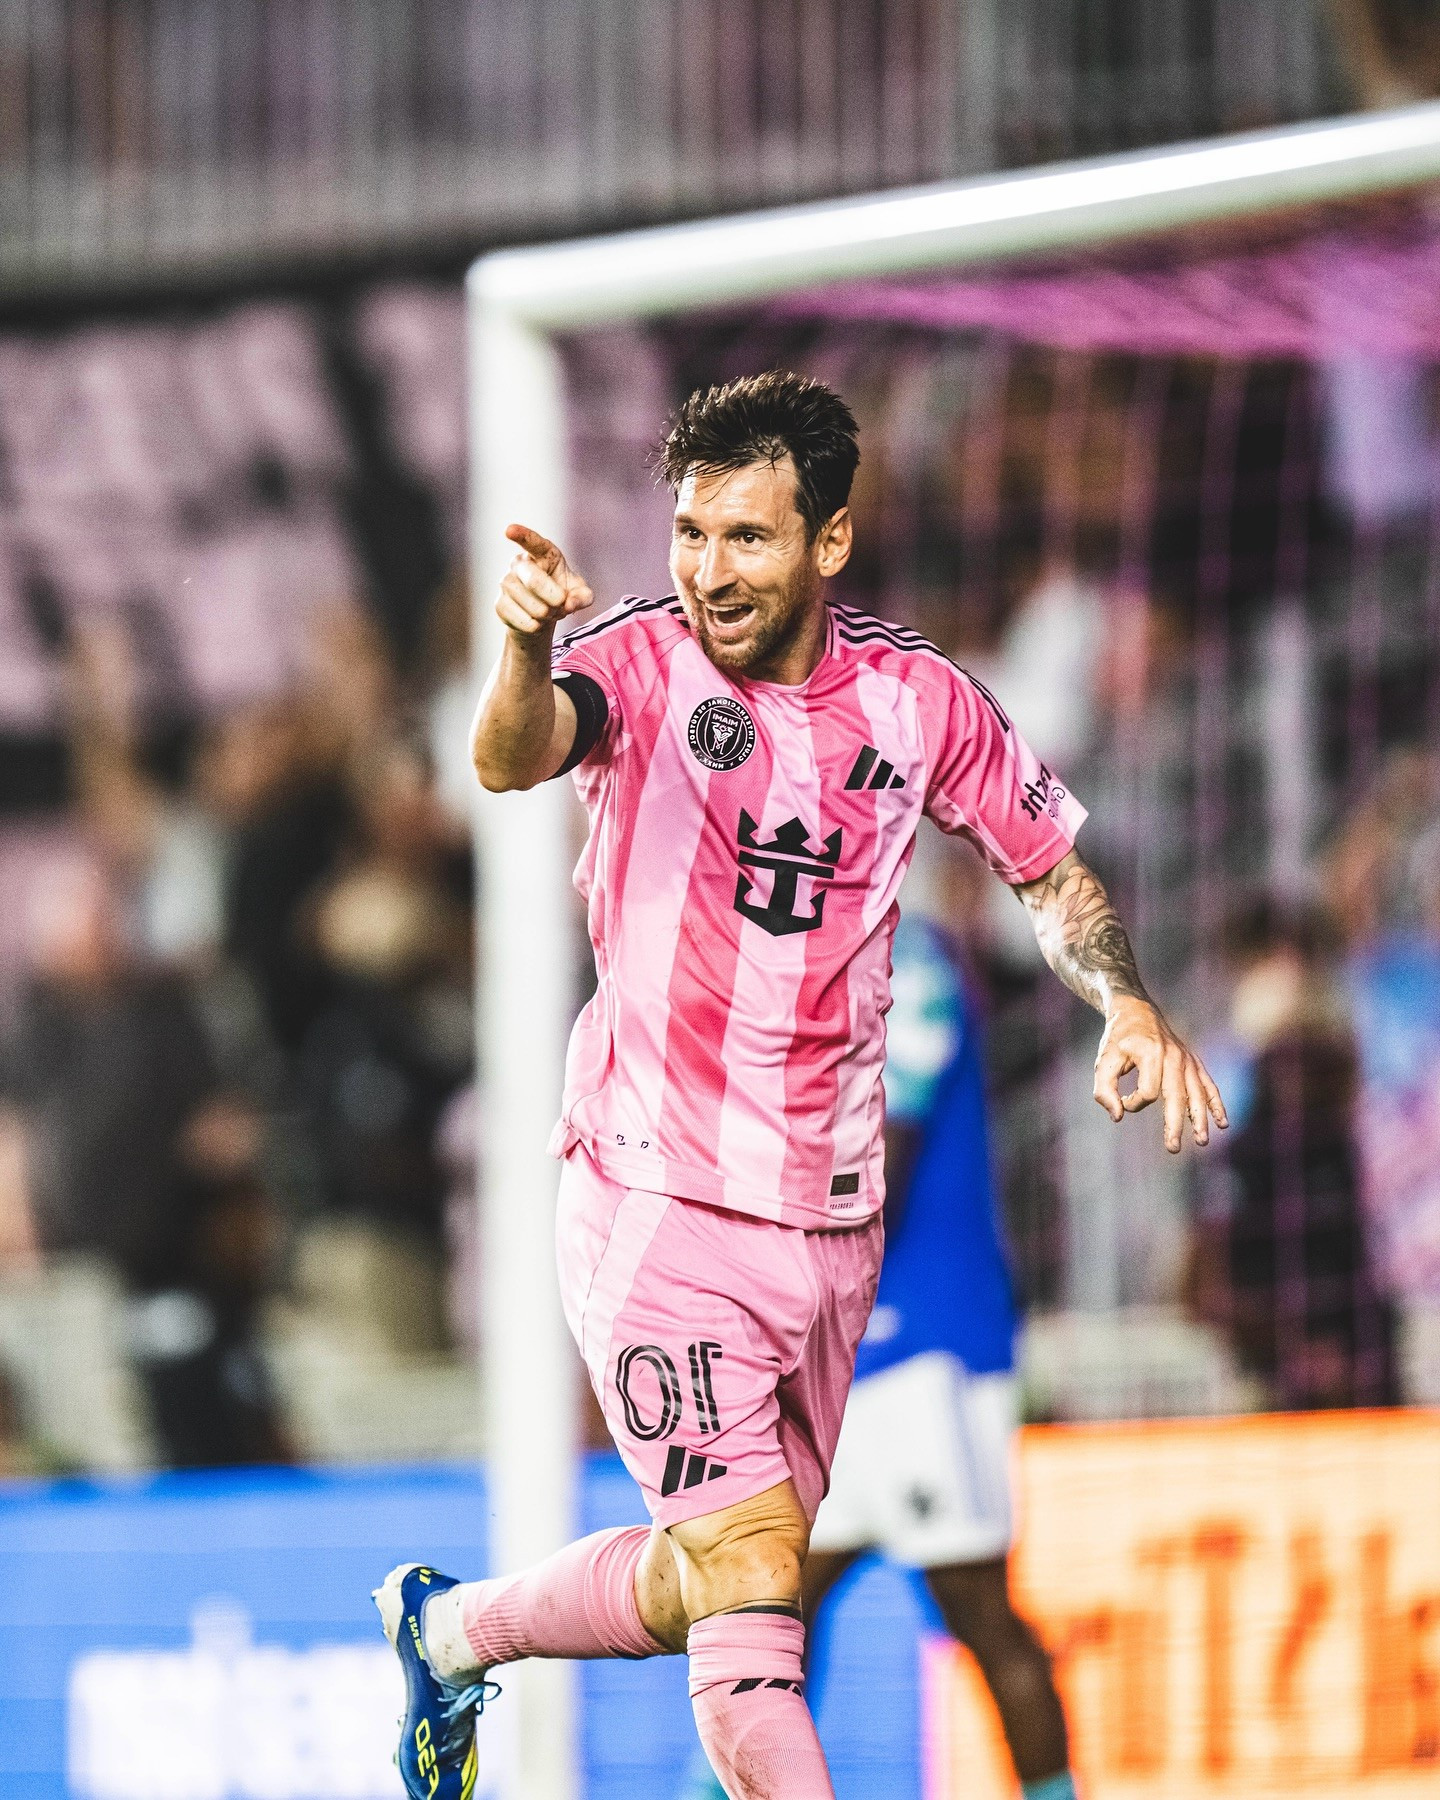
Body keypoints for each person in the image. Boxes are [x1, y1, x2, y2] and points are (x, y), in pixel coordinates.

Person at [374, 371, 1225, 1800]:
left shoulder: (919, 701)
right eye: (691, 533)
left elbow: (1050, 873)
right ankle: (460, 1638)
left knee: (723, 1576)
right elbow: (512, 756)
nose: (709, 572)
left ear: (830, 538)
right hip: (655, 1197)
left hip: (831, 1228)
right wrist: (522, 650)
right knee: (754, 1593)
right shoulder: (640, 663)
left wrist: (1126, 998)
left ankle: (453, 1632)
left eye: (748, 538)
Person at [674, 906, 1074, 1800]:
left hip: (918, 1343)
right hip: (838, 1344)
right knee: (775, 1604)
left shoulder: (905, 959)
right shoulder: (794, 958)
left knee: (974, 1606)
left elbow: (874, 1163)